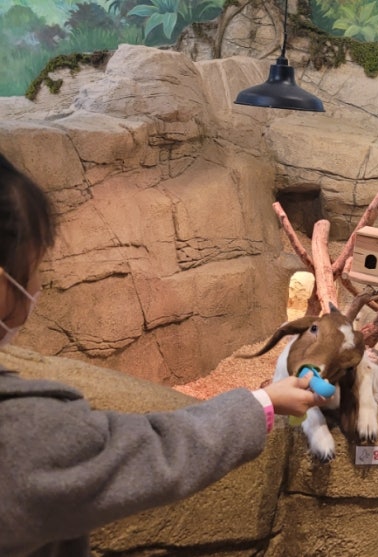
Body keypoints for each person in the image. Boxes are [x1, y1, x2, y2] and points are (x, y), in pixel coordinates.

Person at [0, 153, 325, 556]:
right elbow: (156, 453)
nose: (39, 284)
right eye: (35, 266)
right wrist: (265, 403)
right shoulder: (23, 430)